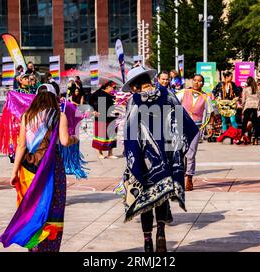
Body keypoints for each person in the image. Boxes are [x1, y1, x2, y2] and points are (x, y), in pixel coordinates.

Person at [117, 66, 198, 252]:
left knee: (145, 200)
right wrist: (179, 151)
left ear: (135, 86)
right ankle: (161, 230)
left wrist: (131, 158)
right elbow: (185, 123)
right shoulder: (168, 95)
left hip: (143, 157)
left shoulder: (134, 101)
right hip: (166, 157)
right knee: (162, 198)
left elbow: (129, 133)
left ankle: (147, 241)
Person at [0, 84, 79, 252]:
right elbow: (64, 141)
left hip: (28, 168)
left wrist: (14, 172)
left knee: (32, 207)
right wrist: (74, 139)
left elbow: (21, 146)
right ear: (54, 97)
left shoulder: (27, 116)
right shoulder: (59, 115)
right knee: (52, 207)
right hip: (51, 168)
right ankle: (49, 247)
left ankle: (33, 247)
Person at [176, 74, 210, 191]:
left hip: (196, 127)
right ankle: (178, 176)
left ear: (202, 83)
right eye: (195, 80)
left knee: (191, 153)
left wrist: (207, 126)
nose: (196, 83)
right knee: (179, 152)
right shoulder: (184, 93)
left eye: (199, 81)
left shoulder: (205, 97)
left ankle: (189, 178)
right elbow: (173, 102)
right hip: (181, 125)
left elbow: (209, 112)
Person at [88, 81, 118, 159]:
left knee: (112, 135)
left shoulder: (114, 94)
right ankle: (100, 153)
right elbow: (90, 101)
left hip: (112, 117)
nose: (114, 89)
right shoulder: (99, 93)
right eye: (113, 87)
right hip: (101, 117)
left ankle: (110, 153)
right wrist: (93, 110)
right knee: (101, 135)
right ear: (107, 87)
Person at [241, 76, 260, 145]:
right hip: (256, 107)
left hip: (248, 107)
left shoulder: (245, 89)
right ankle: (255, 140)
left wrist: (242, 108)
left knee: (245, 122)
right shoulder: (258, 89)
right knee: (256, 124)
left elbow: (243, 100)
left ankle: (242, 137)